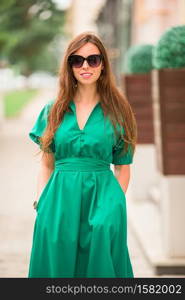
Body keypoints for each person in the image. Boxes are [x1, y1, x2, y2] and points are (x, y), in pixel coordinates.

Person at [28, 31, 137, 278]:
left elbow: (123, 166)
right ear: (69, 66)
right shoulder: (53, 110)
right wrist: (41, 202)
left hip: (103, 197)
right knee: (58, 270)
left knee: (101, 267)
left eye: (93, 59)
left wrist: (114, 205)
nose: (85, 66)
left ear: (103, 66)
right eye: (77, 60)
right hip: (58, 201)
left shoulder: (119, 111)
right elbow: (47, 164)